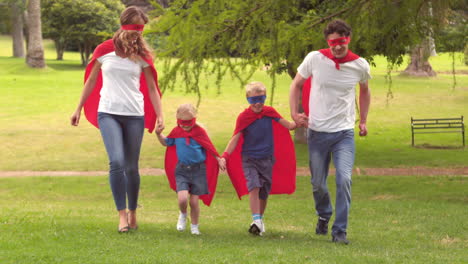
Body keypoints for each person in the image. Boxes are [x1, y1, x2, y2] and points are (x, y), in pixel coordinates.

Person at [70, 6, 164, 233]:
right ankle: (121, 215)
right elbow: (91, 82)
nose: (136, 36)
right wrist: (78, 108)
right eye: (133, 30)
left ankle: (133, 212)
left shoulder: (142, 56)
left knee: (132, 168)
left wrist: (160, 114)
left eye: (140, 32)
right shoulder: (104, 50)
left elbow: (152, 88)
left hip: (134, 115)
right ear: (123, 26)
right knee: (117, 162)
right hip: (108, 112)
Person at [289, 19, 371, 244]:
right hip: (317, 132)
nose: (337, 47)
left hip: (344, 133)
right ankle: (324, 214)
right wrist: (295, 114)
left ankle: (340, 231)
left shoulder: (360, 65)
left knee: (344, 179)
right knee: (318, 183)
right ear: (328, 42)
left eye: (341, 42)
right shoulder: (315, 59)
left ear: (348, 40)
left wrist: (363, 120)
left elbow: (365, 91)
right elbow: (296, 85)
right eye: (332, 42)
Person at [220, 82, 297, 236]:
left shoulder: (270, 112)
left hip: (267, 159)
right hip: (249, 159)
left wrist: (300, 122)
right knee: (253, 186)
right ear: (247, 99)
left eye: (261, 99)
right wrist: (224, 156)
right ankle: (256, 219)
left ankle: (259, 221)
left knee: (263, 192)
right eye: (253, 100)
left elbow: (288, 125)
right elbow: (235, 138)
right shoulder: (244, 117)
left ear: (265, 98)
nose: (257, 103)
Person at [155, 104, 222, 235]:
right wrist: (158, 134)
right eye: (182, 123)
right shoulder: (177, 132)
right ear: (177, 120)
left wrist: (219, 158)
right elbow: (166, 142)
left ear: (195, 119)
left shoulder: (200, 132)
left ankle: (195, 226)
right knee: (183, 199)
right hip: (182, 170)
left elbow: (209, 147)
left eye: (188, 122)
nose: (185, 126)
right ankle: (183, 214)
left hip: (198, 170)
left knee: (194, 201)